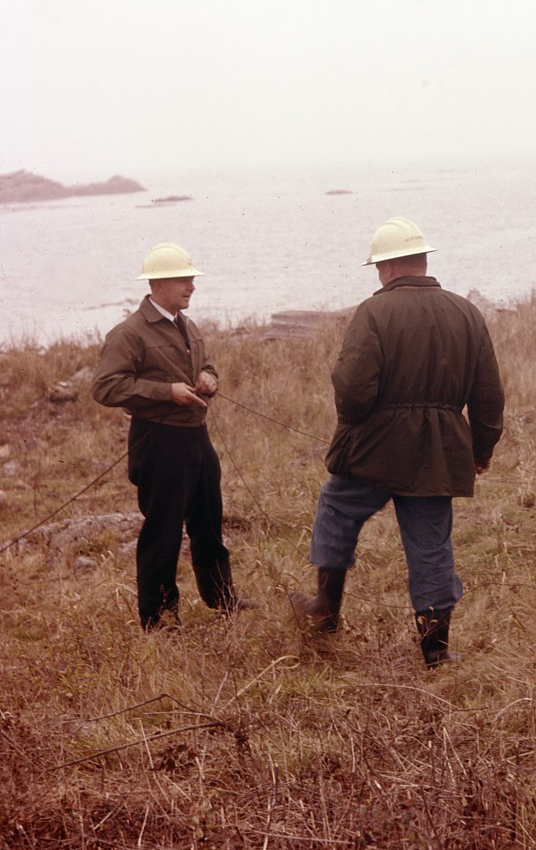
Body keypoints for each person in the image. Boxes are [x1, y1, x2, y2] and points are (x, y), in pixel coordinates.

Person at [290, 217, 505, 668]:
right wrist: (481, 449)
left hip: (373, 451)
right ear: (423, 261)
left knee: (336, 510)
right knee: (430, 545)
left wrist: (356, 423)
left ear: (384, 267)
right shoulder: (467, 312)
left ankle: (325, 612)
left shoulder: (373, 312)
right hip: (438, 455)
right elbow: (488, 395)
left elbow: (352, 392)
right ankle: (436, 652)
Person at [92, 242, 255, 630]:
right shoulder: (129, 333)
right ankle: (159, 618)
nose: (192, 287)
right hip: (158, 441)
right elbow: (106, 387)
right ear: (159, 283)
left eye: (192, 280)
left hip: (196, 438)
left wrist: (209, 377)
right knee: (162, 532)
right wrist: (166, 392)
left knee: (208, 522)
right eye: (185, 280)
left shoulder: (188, 324)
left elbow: (207, 362)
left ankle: (221, 598)